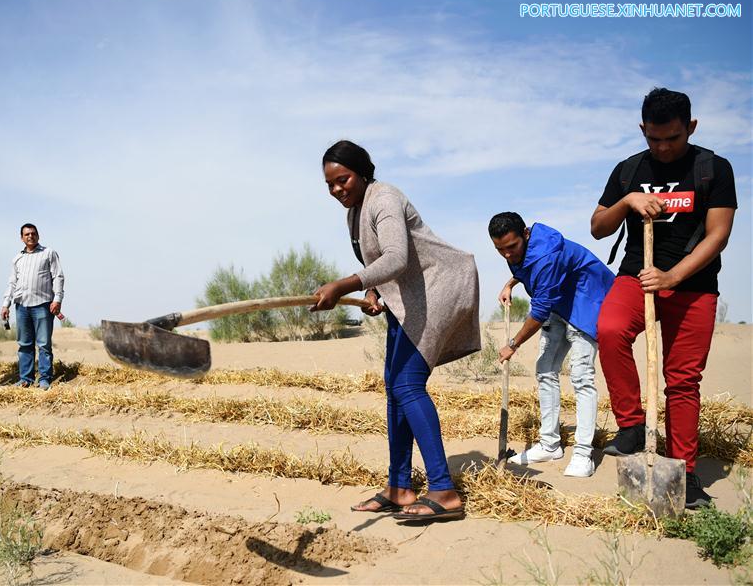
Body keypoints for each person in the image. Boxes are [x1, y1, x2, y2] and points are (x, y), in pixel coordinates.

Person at [311, 140, 481, 522]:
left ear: (363, 172)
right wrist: (372, 291)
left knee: (408, 385)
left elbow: (397, 257)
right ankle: (399, 487)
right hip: (407, 299)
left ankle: (444, 490)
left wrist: (344, 285)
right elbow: (379, 264)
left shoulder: (384, 198)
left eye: (344, 179)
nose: (338, 190)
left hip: (438, 289)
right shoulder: (354, 213)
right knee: (395, 388)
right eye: (330, 185)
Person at [591, 88, 737, 508]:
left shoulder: (713, 168)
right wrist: (627, 200)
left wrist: (672, 275)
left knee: (683, 380)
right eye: (653, 138)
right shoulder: (628, 169)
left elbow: (718, 235)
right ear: (643, 130)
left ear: (690, 127)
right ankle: (633, 426)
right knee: (610, 328)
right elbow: (598, 226)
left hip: (693, 286)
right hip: (637, 276)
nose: (662, 147)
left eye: (672, 138)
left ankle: (684, 473)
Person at [488, 212, 614, 477]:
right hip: (559, 303)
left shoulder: (547, 256)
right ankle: (549, 444)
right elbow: (525, 267)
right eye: (500, 250)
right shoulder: (521, 250)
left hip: (586, 303)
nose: (508, 255)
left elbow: (540, 309)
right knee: (545, 370)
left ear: (525, 233)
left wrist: (513, 343)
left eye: (512, 247)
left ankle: (583, 452)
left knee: (581, 377)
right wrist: (511, 282)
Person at [0, 223, 65, 391]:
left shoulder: (48, 253)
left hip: (43, 304)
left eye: (33, 233)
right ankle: (26, 379)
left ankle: (44, 379)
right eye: (27, 234)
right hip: (21, 306)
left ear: (38, 236)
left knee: (43, 344)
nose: (30, 236)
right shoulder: (17, 259)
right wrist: (5, 304)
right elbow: (12, 283)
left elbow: (58, 276)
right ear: (21, 238)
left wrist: (57, 299)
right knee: (24, 344)